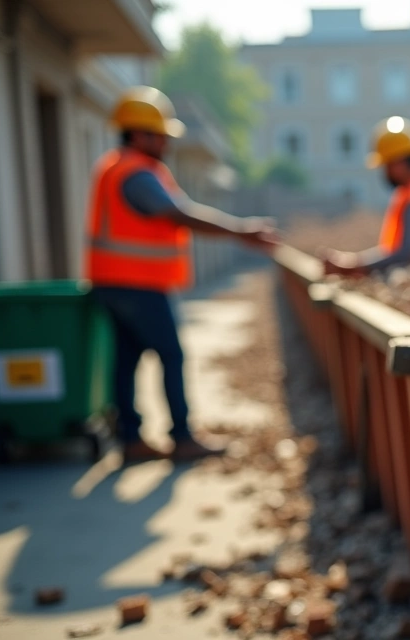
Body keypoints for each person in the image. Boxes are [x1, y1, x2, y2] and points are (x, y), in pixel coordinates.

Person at [86, 86, 278, 461]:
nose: (166, 143)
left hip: (112, 281)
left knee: (125, 360)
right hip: (137, 283)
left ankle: (130, 439)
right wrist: (241, 231)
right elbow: (178, 213)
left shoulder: (116, 166)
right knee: (170, 355)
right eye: (160, 135)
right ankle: (182, 436)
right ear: (139, 134)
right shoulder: (136, 174)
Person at [321, 117, 410, 276]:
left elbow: (405, 253)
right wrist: (355, 260)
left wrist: (355, 266)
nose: (384, 172)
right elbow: (398, 250)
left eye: (387, 165)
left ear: (398, 162)